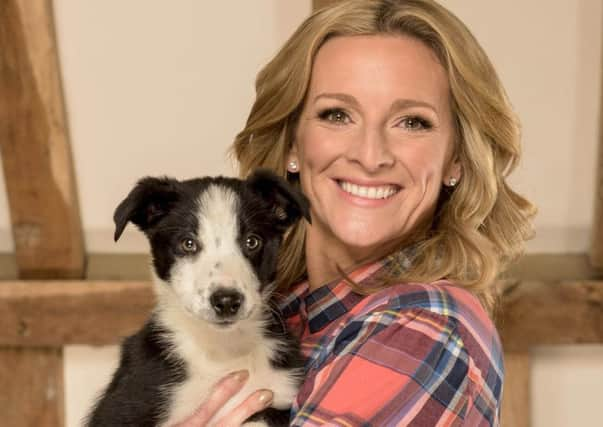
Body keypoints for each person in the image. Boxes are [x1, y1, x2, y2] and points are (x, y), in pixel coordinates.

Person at [175, 0, 535, 425]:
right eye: (337, 115)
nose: (370, 155)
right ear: (293, 143)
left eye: (412, 122)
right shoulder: (277, 310)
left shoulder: (426, 329)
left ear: (456, 158)